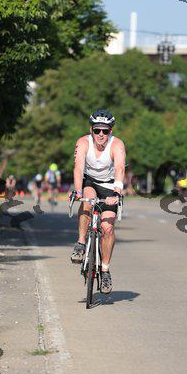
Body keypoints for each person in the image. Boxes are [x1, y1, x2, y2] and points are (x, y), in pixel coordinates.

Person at [70, 109, 126, 293]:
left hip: (110, 186)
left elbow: (120, 168)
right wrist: (78, 191)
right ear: (91, 130)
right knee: (87, 201)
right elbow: (78, 168)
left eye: (105, 131)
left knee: (107, 228)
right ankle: (80, 242)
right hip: (90, 182)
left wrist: (117, 192)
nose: (101, 134)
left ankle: (105, 270)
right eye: (97, 130)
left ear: (111, 131)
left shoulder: (117, 144)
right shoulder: (83, 142)